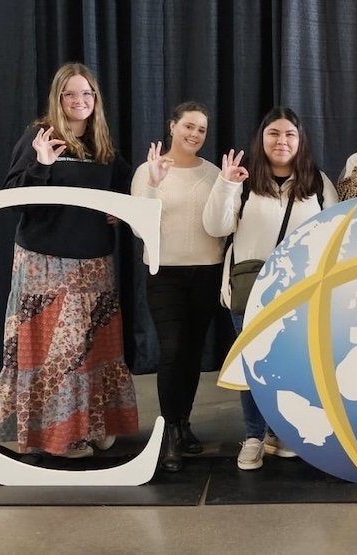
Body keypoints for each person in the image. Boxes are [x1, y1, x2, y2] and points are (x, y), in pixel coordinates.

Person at [0, 62, 138, 458]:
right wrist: (41, 165)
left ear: (96, 99)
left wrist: (122, 207)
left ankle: (95, 424)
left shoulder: (102, 143)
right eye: (70, 93)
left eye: (86, 93)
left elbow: (128, 187)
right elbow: (12, 199)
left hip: (94, 266)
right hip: (45, 265)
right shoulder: (39, 137)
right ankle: (59, 437)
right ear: (58, 98)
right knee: (58, 357)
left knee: (94, 352)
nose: (79, 100)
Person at [202, 106, 339, 470]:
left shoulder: (317, 182)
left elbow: (334, 232)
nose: (282, 141)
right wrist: (226, 183)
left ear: (301, 140)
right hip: (250, 291)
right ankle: (253, 436)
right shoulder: (243, 178)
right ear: (261, 139)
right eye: (273, 134)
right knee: (252, 365)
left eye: (290, 134)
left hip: (301, 293)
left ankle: (281, 431)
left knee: (292, 364)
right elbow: (215, 227)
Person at [130, 101, 225, 472]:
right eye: (188, 126)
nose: (195, 134)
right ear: (172, 127)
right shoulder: (148, 170)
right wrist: (154, 184)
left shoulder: (214, 173)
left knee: (192, 352)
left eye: (201, 129)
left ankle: (184, 423)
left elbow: (222, 223)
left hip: (206, 272)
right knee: (171, 349)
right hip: (164, 274)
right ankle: (169, 431)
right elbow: (139, 227)